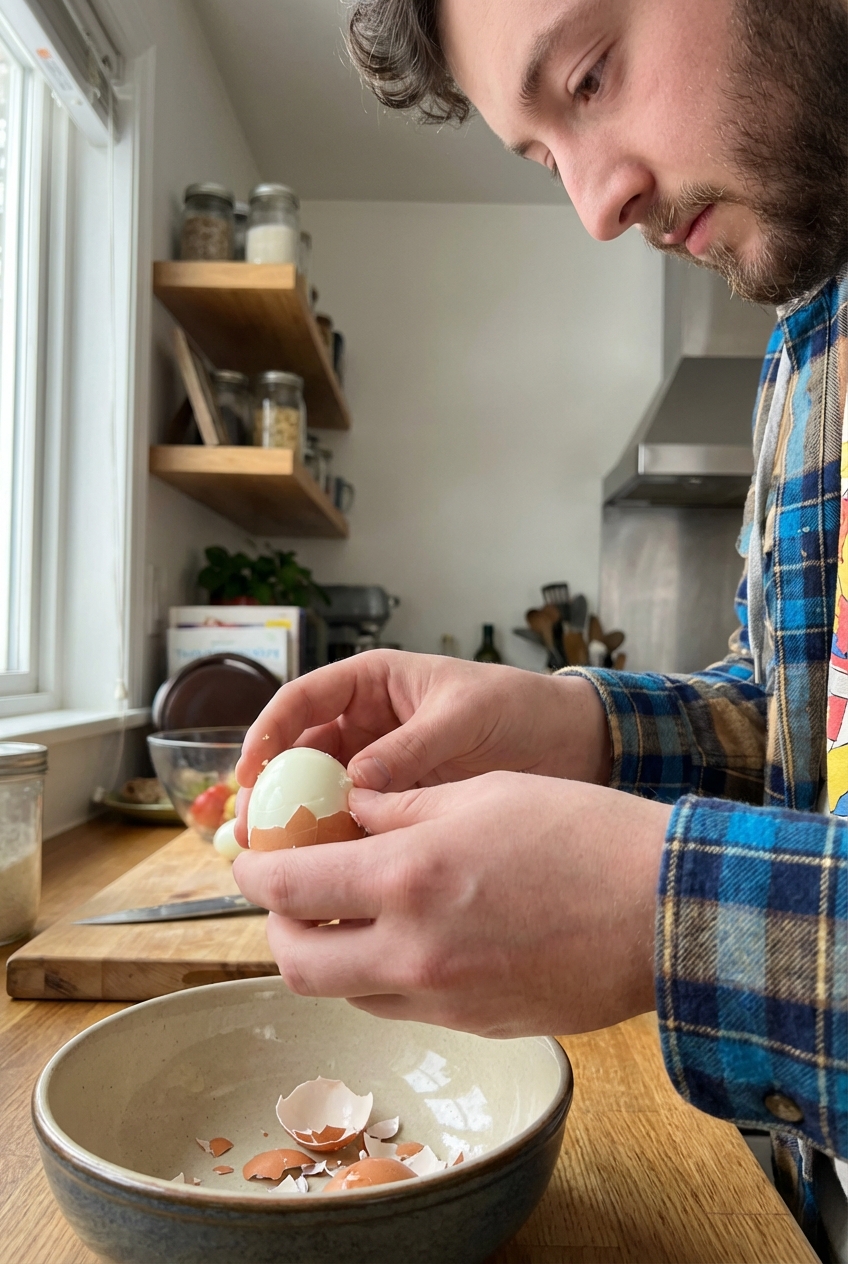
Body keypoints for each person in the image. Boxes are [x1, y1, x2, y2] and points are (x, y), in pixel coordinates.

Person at [232, 0, 847, 1255]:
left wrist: (646, 913)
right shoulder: (808, 337)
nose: (593, 206)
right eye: (542, 156)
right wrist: (572, 729)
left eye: (589, 73)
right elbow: (802, 740)